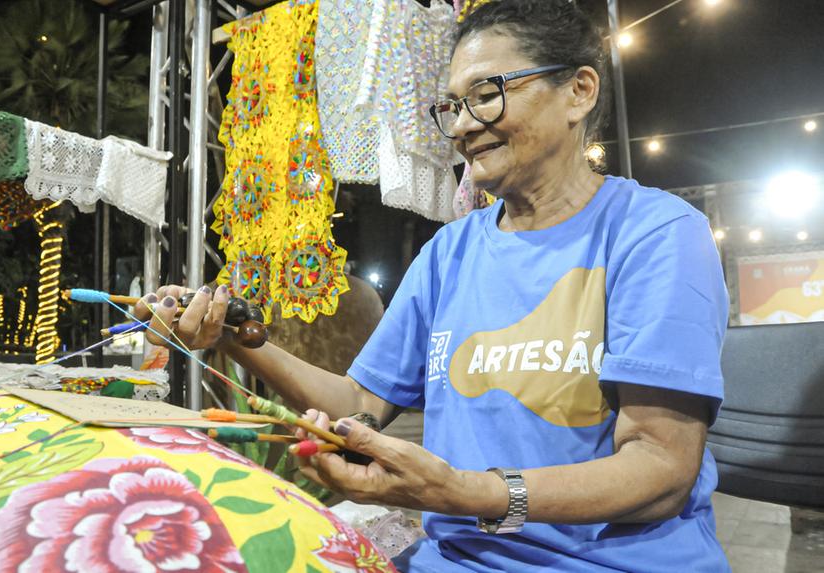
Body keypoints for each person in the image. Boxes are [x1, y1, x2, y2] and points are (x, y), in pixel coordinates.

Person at [137, 1, 729, 570]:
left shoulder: (654, 234)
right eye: (452, 106)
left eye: (487, 95)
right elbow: (359, 405)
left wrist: (470, 494)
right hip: (453, 559)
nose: (464, 127)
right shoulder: (449, 251)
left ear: (579, 91)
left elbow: (660, 473)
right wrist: (234, 338)